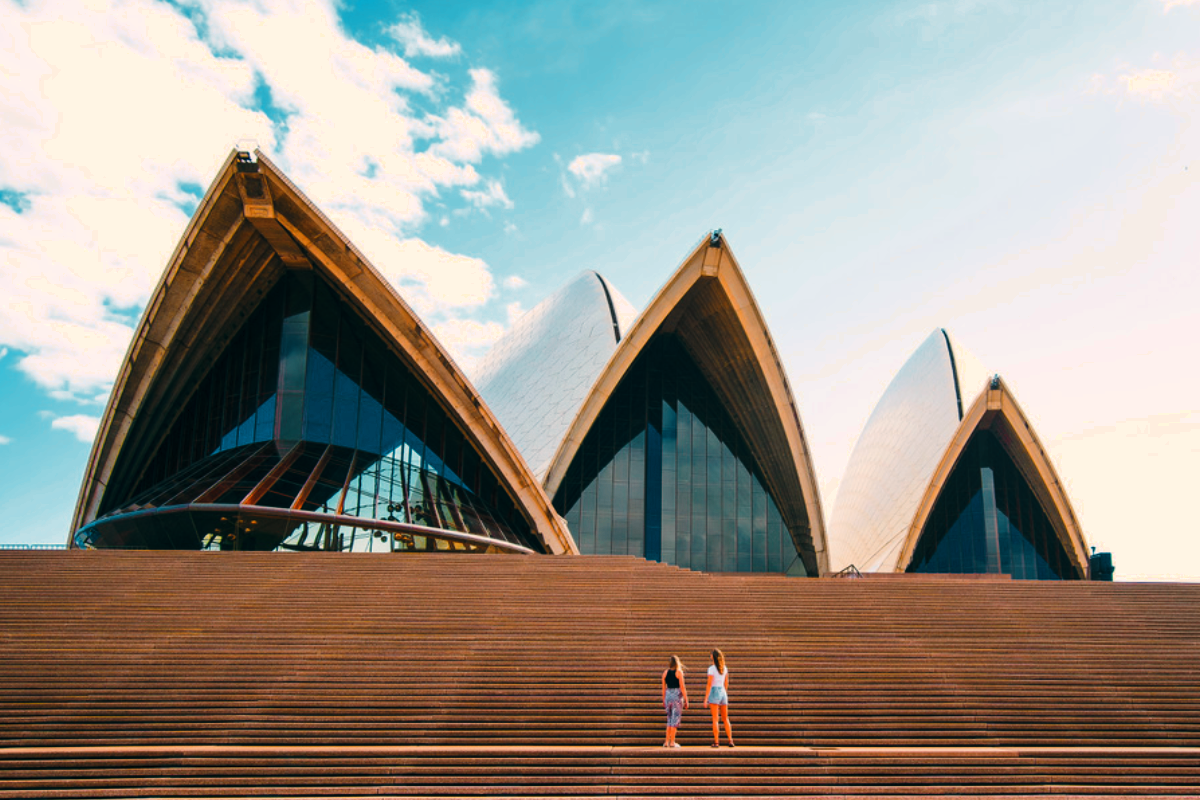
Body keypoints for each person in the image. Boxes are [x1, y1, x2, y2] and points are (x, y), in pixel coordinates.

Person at [703, 648, 735, 748]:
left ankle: (716, 742)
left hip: (714, 691)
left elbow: (709, 684)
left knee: (715, 719)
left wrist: (705, 698)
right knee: (725, 718)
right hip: (722, 691)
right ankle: (730, 740)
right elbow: (726, 682)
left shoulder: (711, 669)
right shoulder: (724, 668)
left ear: (714, 657)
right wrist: (724, 691)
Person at [661, 655, 689, 747]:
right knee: (675, 719)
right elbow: (682, 687)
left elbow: (663, 688)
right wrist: (686, 699)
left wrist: (663, 699)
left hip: (668, 696)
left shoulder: (665, 673)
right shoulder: (679, 672)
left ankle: (666, 742)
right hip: (676, 696)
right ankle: (672, 742)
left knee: (669, 719)